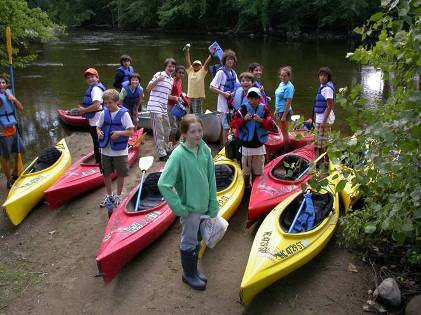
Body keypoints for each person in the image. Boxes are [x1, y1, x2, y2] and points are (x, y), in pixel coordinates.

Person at [158, 114, 219, 291]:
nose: (198, 135)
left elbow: (211, 177)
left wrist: (213, 203)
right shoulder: (178, 155)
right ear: (184, 134)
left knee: (198, 239)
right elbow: (164, 183)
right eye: (193, 132)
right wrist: (179, 208)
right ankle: (188, 274)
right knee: (188, 240)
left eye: (200, 130)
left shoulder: (205, 149)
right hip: (190, 209)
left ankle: (194, 270)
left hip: (205, 205)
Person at [96, 89, 134, 214]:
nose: (107, 105)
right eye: (105, 103)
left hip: (120, 151)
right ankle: (110, 195)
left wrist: (119, 133)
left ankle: (118, 195)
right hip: (105, 150)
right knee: (106, 174)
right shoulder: (103, 113)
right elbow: (98, 126)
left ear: (117, 102)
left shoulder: (124, 114)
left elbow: (131, 131)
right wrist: (99, 132)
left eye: (110, 103)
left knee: (120, 174)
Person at [231, 87, 273, 188]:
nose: (253, 100)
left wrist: (261, 121)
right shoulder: (243, 109)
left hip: (259, 146)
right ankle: (246, 188)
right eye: (250, 98)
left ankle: (254, 188)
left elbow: (271, 125)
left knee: (257, 172)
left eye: (255, 98)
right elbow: (233, 123)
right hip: (246, 146)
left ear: (259, 98)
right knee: (245, 173)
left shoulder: (264, 109)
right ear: (247, 98)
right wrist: (244, 120)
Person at [146, 58, 182, 161]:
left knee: (167, 129)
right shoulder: (159, 74)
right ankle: (161, 154)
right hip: (154, 106)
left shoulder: (171, 80)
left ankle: (166, 148)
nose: (171, 68)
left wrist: (175, 98)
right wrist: (157, 80)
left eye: (173, 67)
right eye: (169, 66)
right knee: (159, 131)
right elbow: (148, 88)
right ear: (165, 67)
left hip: (163, 107)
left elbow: (166, 95)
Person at [209, 49, 240, 148]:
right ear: (224, 61)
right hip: (223, 105)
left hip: (232, 105)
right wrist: (223, 93)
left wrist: (234, 93)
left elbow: (238, 86)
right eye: (228, 59)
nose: (230, 61)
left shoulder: (233, 73)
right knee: (226, 128)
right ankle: (224, 149)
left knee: (229, 127)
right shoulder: (221, 73)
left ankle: (226, 145)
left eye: (232, 59)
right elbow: (211, 87)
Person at [0, 75, 25, 188]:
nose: (1, 85)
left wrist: (14, 100)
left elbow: (21, 108)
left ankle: (15, 172)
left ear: (6, 84)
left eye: (3, 82)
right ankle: (9, 180)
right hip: (3, 132)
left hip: (14, 129)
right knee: (6, 157)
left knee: (21, 150)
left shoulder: (9, 94)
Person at [79, 68, 106, 164]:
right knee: (99, 143)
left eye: (92, 77)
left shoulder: (95, 89)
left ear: (97, 78)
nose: (90, 79)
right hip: (98, 121)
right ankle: (102, 162)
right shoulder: (95, 88)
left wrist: (83, 110)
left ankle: (100, 164)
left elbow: (96, 105)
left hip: (97, 123)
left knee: (97, 144)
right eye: (88, 78)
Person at [314, 67, 335, 163]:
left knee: (321, 144)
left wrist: (323, 121)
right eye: (321, 75)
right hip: (320, 119)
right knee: (324, 142)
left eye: (325, 75)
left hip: (323, 120)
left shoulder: (327, 89)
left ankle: (322, 163)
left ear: (328, 77)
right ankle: (326, 161)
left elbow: (330, 105)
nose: (322, 77)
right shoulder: (322, 86)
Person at [184, 45, 211, 114]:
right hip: (189, 96)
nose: (196, 66)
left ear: (201, 66)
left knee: (197, 115)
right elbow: (187, 61)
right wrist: (187, 50)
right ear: (192, 66)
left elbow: (206, 64)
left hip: (198, 97)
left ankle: (198, 124)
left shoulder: (202, 72)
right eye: (195, 65)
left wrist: (211, 55)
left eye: (198, 65)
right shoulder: (190, 71)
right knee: (188, 114)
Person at [274, 66, 294, 151]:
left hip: (285, 111)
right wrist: (276, 110)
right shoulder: (281, 84)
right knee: (280, 130)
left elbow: (288, 102)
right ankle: (282, 147)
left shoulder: (289, 87)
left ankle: (286, 149)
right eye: (281, 75)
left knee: (284, 132)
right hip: (279, 110)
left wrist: (284, 115)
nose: (282, 77)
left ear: (289, 77)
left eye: (285, 76)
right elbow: (278, 99)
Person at [167, 65, 186, 144]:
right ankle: (173, 141)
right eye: (179, 72)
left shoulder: (180, 81)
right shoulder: (171, 82)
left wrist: (184, 98)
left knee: (181, 122)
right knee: (173, 124)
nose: (181, 74)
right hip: (170, 105)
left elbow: (180, 92)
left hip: (178, 105)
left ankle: (180, 139)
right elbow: (166, 95)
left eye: (182, 73)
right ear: (176, 73)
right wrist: (176, 98)